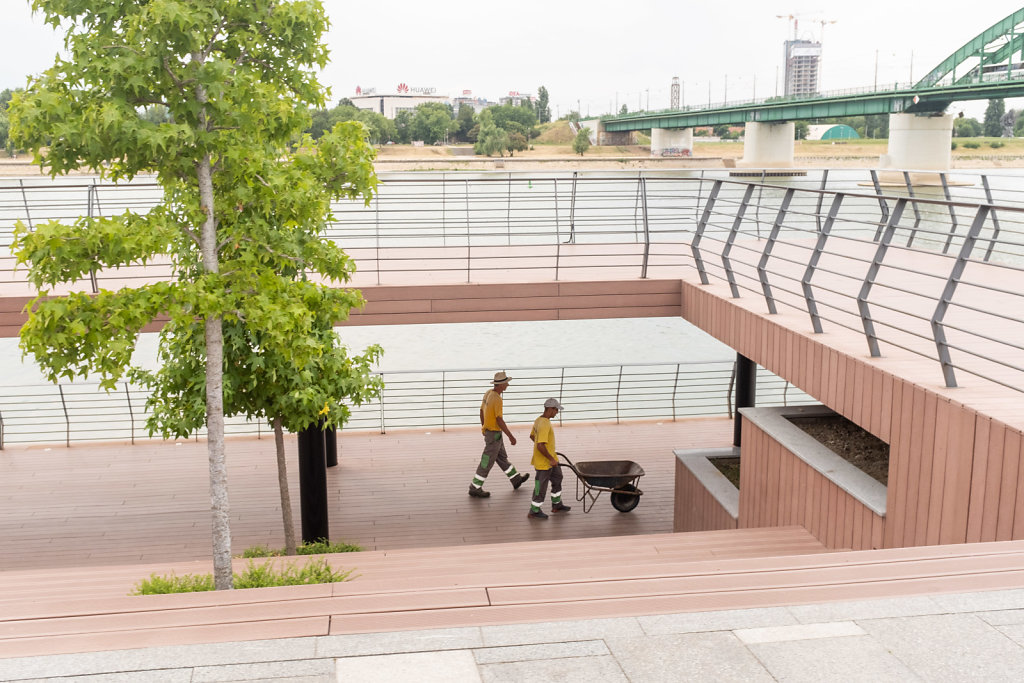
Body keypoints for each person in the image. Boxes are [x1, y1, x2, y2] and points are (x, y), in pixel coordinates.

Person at [468, 371, 529, 498]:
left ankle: (516, 479)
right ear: (501, 385)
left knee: (501, 458)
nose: (508, 385)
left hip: (491, 434)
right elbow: (499, 420)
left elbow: (481, 411)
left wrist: (484, 428)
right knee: (487, 461)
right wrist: (510, 436)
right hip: (494, 434)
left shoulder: (488, 393)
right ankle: (475, 487)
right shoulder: (497, 399)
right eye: (506, 383)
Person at [527, 398, 571, 520]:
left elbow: (532, 437)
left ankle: (557, 504)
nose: (557, 412)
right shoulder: (545, 424)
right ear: (550, 409)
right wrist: (550, 458)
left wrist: (548, 452)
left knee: (558, 477)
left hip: (550, 459)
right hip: (544, 462)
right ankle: (534, 510)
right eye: (556, 410)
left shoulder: (539, 420)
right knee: (540, 486)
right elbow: (540, 445)